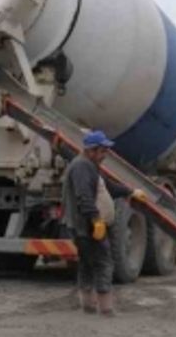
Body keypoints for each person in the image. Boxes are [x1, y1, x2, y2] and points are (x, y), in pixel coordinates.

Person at [62, 130, 144, 316]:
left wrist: (129, 192)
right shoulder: (82, 167)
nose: (105, 155)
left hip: (86, 225)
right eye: (103, 151)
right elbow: (84, 197)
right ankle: (106, 308)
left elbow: (107, 187)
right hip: (87, 226)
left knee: (87, 263)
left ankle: (88, 306)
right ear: (92, 150)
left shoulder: (90, 165)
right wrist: (96, 220)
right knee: (104, 262)